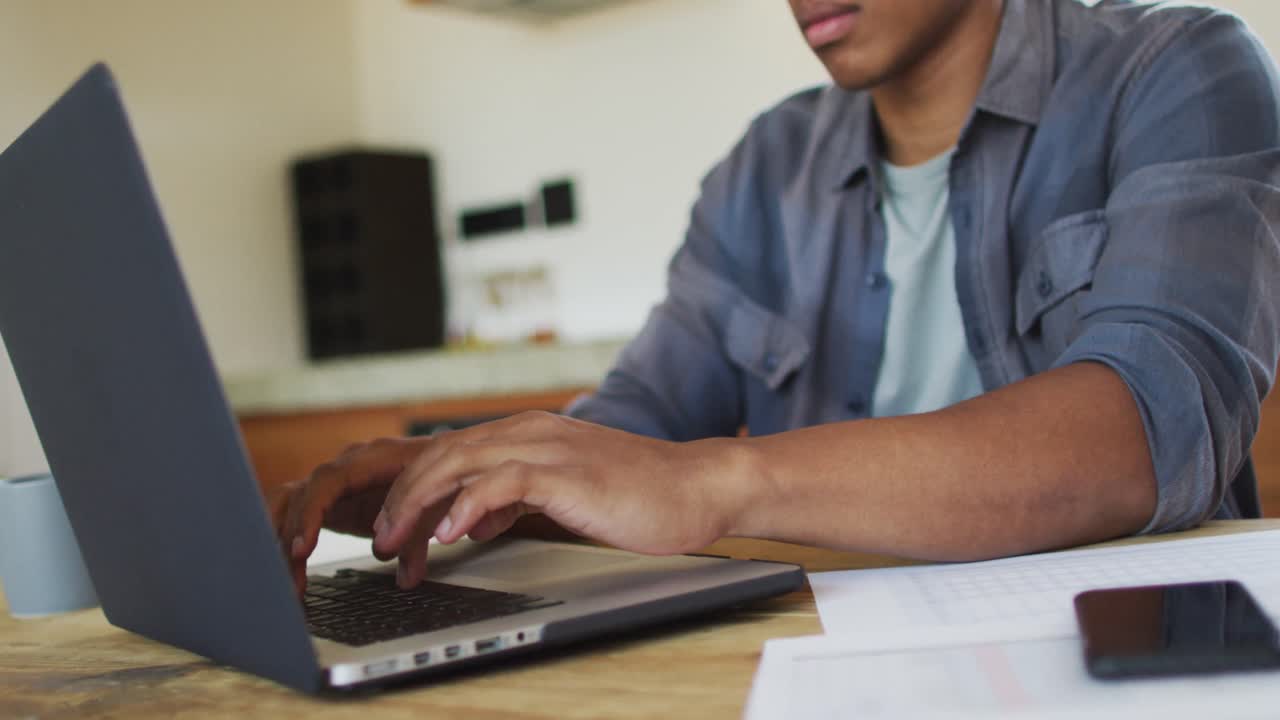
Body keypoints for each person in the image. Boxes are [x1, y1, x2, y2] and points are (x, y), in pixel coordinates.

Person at [271, 0, 1280, 592]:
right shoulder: (764, 167)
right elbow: (631, 433)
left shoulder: (1174, 68)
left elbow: (1149, 425)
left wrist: (720, 480)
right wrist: (473, 473)